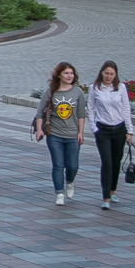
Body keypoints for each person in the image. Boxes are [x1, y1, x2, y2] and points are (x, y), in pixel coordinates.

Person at [33, 62, 87, 206]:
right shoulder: (51, 91)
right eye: (66, 73)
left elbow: (81, 114)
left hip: (73, 135)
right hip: (54, 135)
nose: (69, 76)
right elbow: (40, 112)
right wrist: (39, 130)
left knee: (73, 166)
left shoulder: (78, 92)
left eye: (71, 73)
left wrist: (81, 132)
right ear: (59, 75)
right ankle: (59, 193)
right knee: (58, 165)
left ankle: (69, 182)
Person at [89, 60, 134, 209]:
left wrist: (130, 131)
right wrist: (94, 128)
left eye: (112, 74)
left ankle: (113, 189)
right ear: (102, 73)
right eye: (106, 73)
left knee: (116, 162)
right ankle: (106, 197)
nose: (109, 77)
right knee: (106, 162)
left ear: (115, 75)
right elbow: (90, 109)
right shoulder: (94, 88)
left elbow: (126, 109)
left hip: (119, 129)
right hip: (103, 130)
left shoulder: (120, 88)